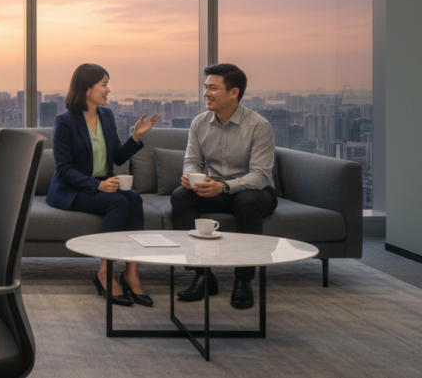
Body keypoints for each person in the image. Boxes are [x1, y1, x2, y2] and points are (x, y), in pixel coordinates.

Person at [47, 64, 161, 307]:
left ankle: (131, 273)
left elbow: (117, 157)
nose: (108, 90)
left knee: (134, 198)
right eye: (104, 84)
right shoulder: (65, 122)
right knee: (119, 201)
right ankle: (104, 273)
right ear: (87, 89)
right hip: (72, 189)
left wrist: (136, 137)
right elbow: (64, 169)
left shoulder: (106, 115)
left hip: (102, 184)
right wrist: (97, 186)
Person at [171, 63, 278, 309]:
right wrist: (190, 177)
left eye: (213, 88)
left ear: (234, 92)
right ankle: (203, 275)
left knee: (247, 200)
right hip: (216, 190)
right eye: (205, 87)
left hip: (255, 192)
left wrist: (224, 187)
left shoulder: (259, 126)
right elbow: (192, 161)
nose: (206, 93)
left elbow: (260, 175)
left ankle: (243, 281)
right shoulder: (199, 123)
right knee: (180, 196)